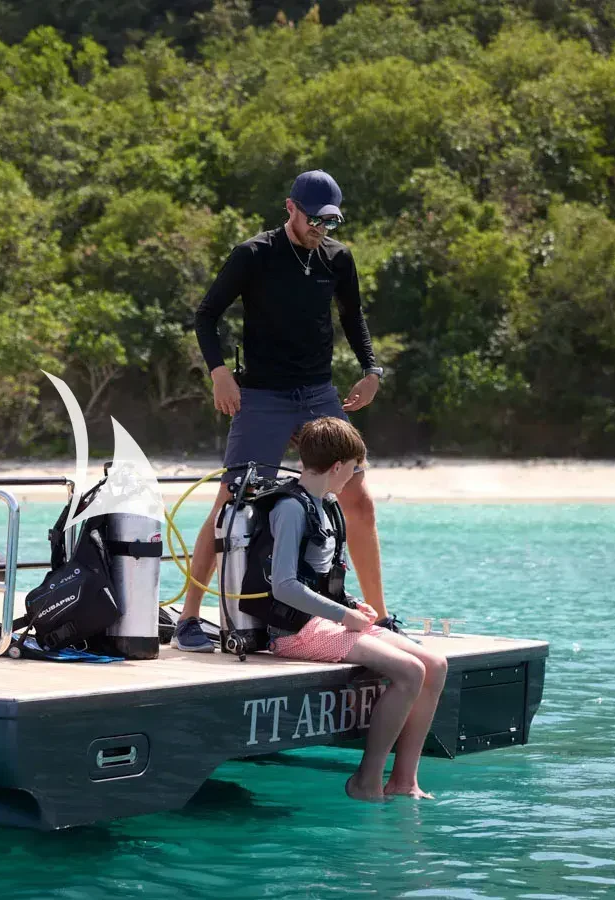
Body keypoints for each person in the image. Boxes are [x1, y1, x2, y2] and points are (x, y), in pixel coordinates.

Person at [173, 168, 391, 652]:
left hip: (317, 394)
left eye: (329, 222)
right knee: (230, 504)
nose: (320, 229)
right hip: (263, 396)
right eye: (313, 220)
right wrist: (219, 373)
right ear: (290, 208)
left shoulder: (337, 257)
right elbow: (206, 315)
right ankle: (189, 618)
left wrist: (372, 371)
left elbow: (352, 316)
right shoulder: (254, 254)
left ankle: (379, 616)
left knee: (358, 499)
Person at [262, 417, 446, 801]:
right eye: (354, 468)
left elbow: (321, 577)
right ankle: (367, 780)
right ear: (337, 467)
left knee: (435, 664)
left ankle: (404, 780)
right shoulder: (291, 509)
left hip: (325, 623)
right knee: (410, 671)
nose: (355, 476)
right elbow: (284, 586)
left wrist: (349, 605)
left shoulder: (327, 506)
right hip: (294, 632)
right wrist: (343, 616)